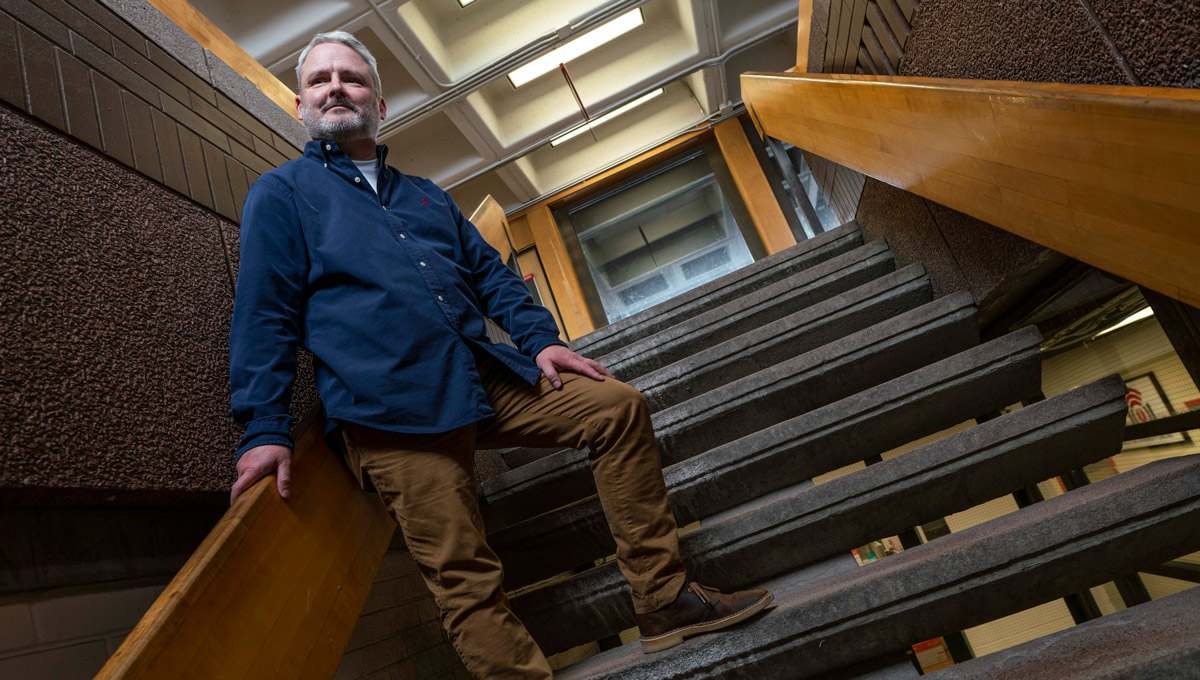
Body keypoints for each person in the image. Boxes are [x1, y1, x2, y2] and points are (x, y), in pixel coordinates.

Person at [228, 30, 772, 678]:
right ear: (300, 107)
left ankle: (663, 601)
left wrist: (542, 342)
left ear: (379, 102)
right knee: (467, 579)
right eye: (321, 80)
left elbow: (492, 277)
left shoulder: (426, 195)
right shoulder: (282, 194)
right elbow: (264, 313)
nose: (337, 88)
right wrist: (262, 427)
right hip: (389, 409)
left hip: (483, 375)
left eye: (352, 77)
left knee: (617, 409)